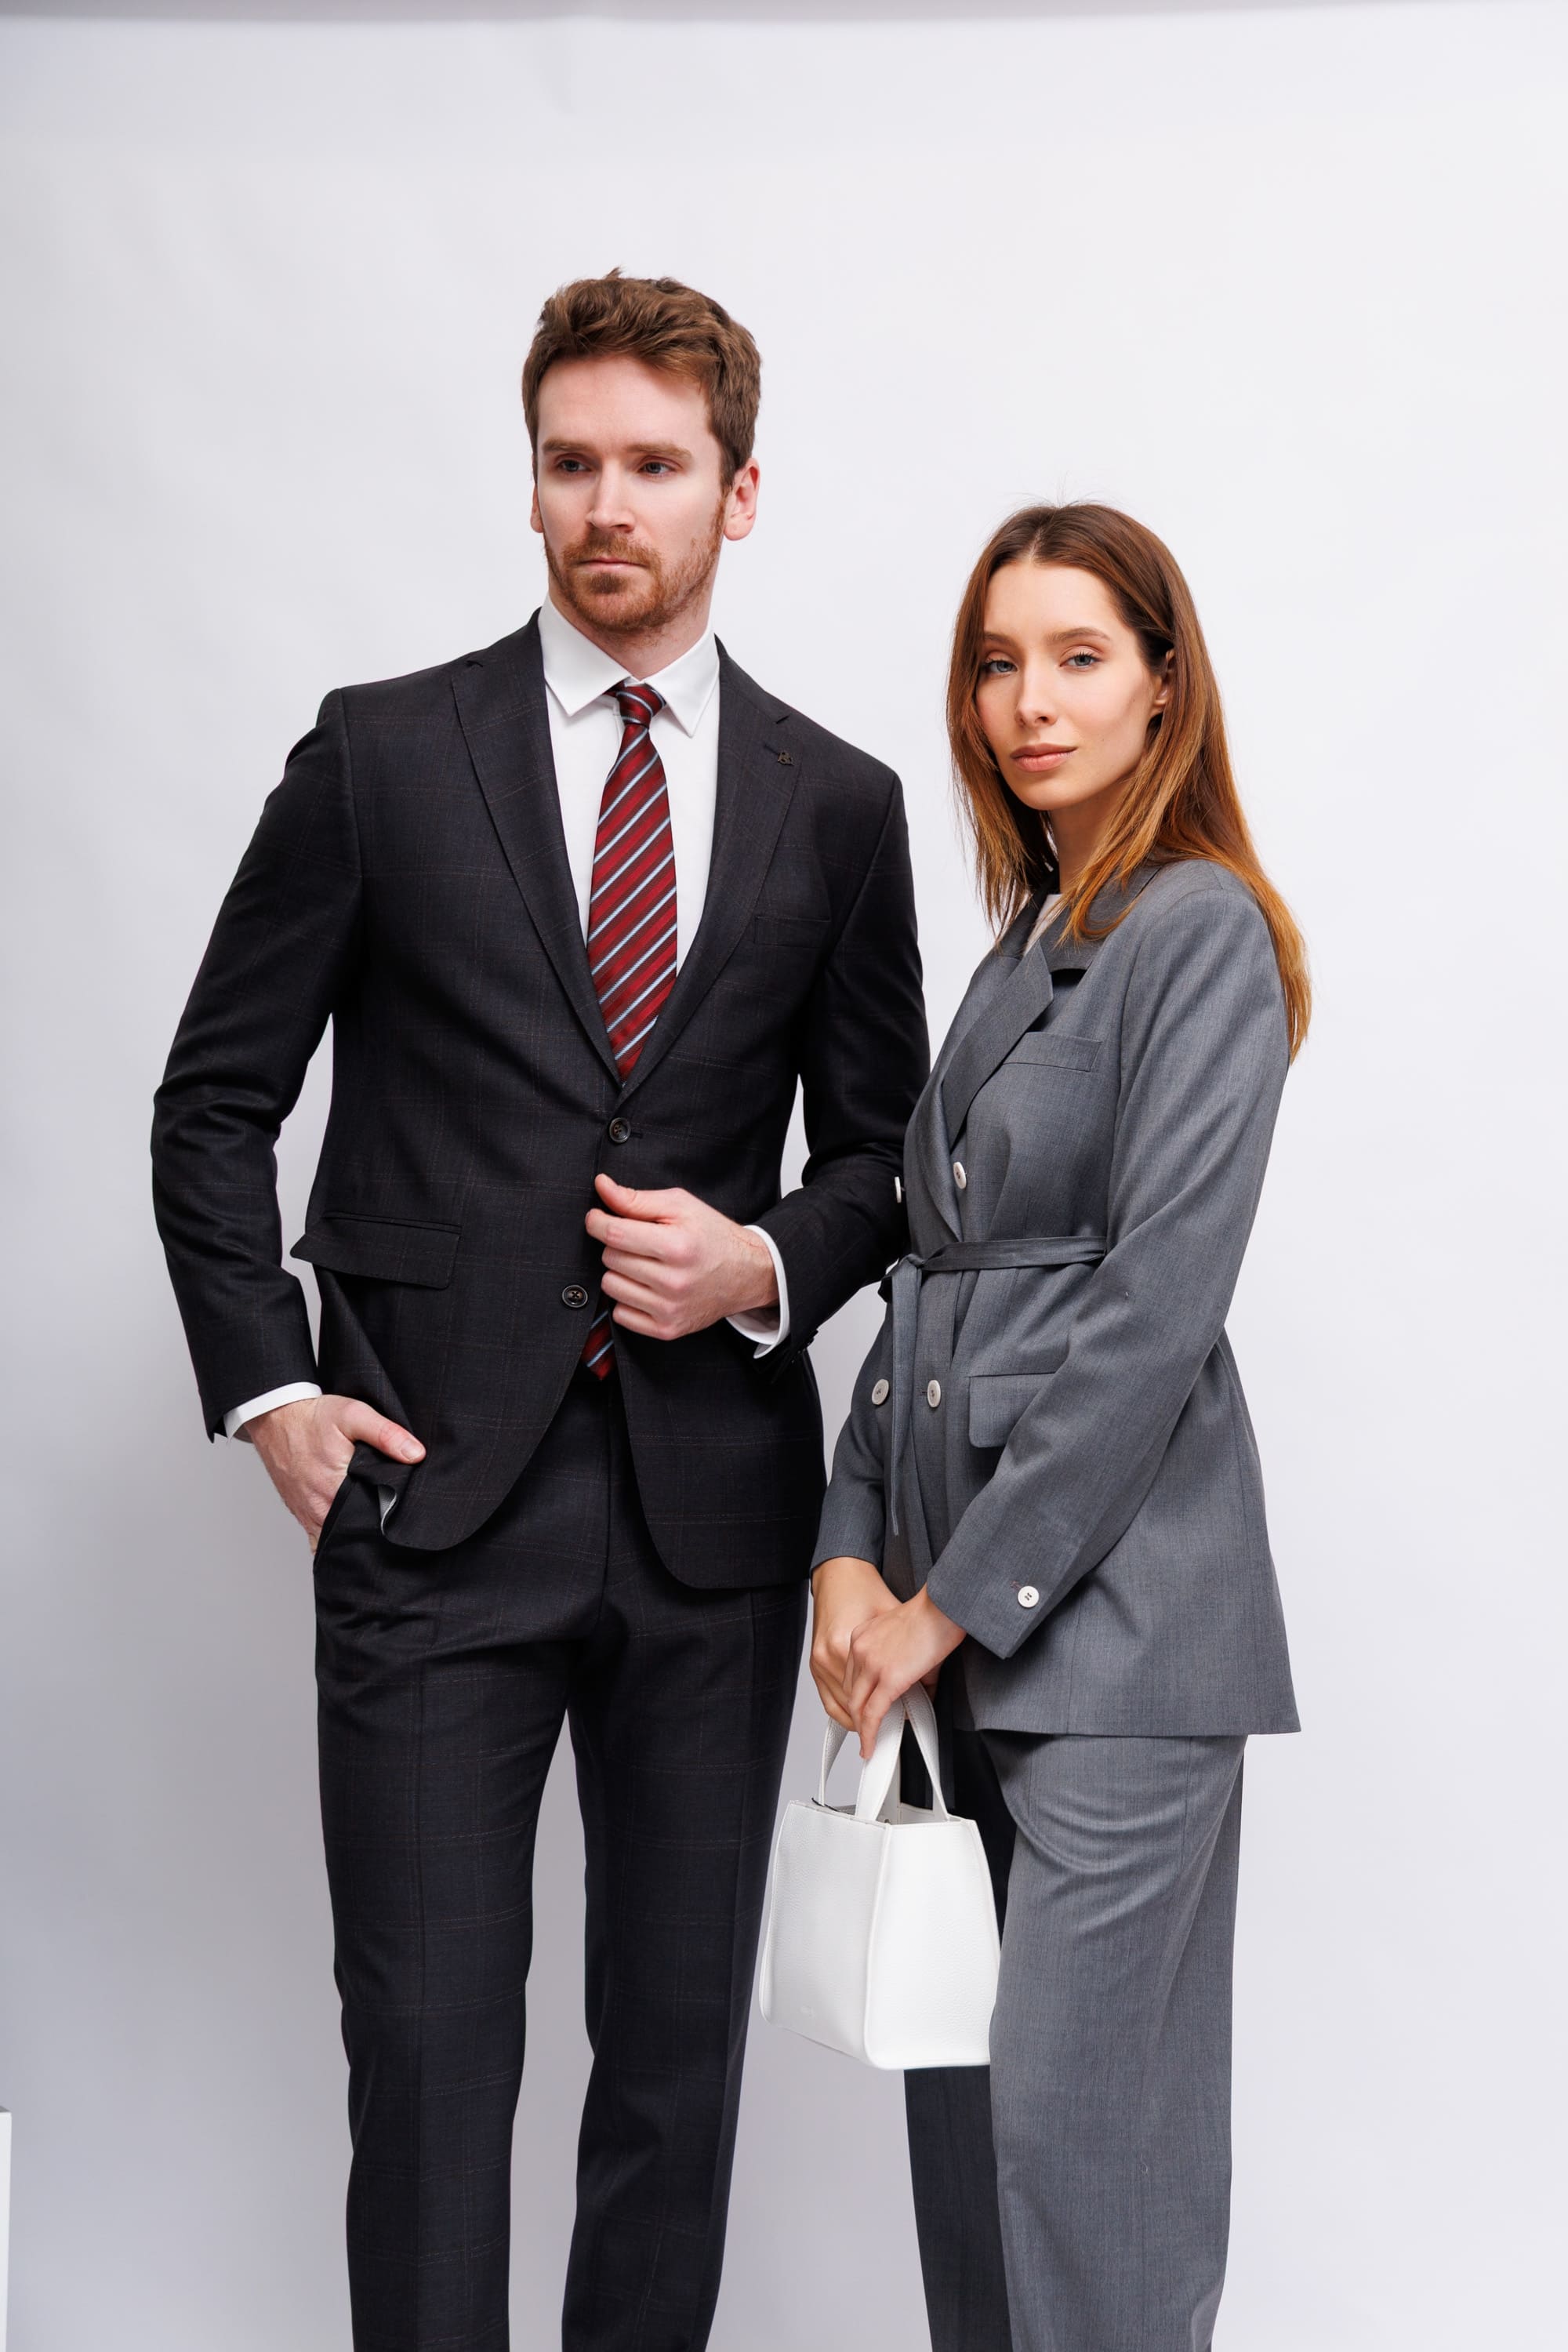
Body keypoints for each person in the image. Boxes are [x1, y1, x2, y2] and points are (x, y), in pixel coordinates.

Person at [151, 269, 927, 2352]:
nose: (607, 504)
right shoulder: (383, 757)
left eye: (655, 465)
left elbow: (888, 1155)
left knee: (673, 2073)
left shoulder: (841, 804)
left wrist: (765, 1264)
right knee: (427, 2065)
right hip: (427, 1510)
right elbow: (215, 1102)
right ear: (530, 486)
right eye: (570, 462)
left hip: (713, 1528)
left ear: (737, 492)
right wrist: (271, 1395)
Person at [809, 503, 1308, 2352]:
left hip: (1119, 1642)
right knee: (967, 2152)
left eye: (1078, 657)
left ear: (1163, 685)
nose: (1030, 701)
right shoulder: (1022, 946)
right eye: (997, 662)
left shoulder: (1203, 934)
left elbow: (1152, 1315)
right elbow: (931, 1279)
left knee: (1080, 2158)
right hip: (953, 1632)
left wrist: (946, 1603)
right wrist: (845, 1546)